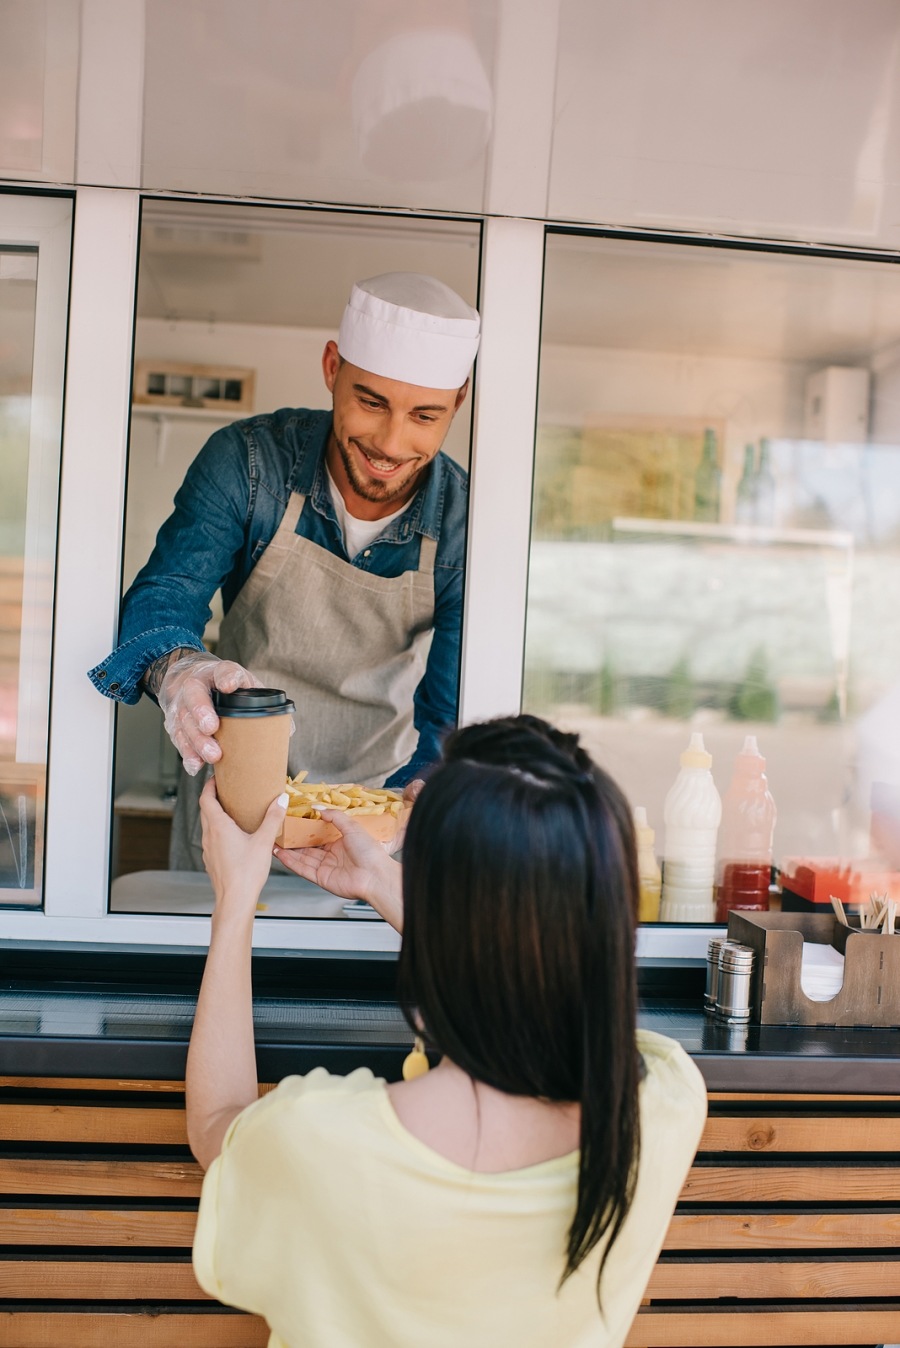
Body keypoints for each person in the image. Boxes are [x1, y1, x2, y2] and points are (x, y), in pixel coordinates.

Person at [187, 715, 707, 1348]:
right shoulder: (665, 1102)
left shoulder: (322, 1137)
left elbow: (218, 1122)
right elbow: (542, 993)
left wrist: (235, 900)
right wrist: (386, 882)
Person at [89, 272, 479, 868]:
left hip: (374, 820)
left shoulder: (464, 523)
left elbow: (448, 717)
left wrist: (419, 796)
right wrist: (178, 670)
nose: (391, 443)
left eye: (424, 416)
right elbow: (166, 594)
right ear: (331, 368)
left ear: (458, 401)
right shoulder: (249, 465)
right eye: (371, 403)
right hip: (231, 807)